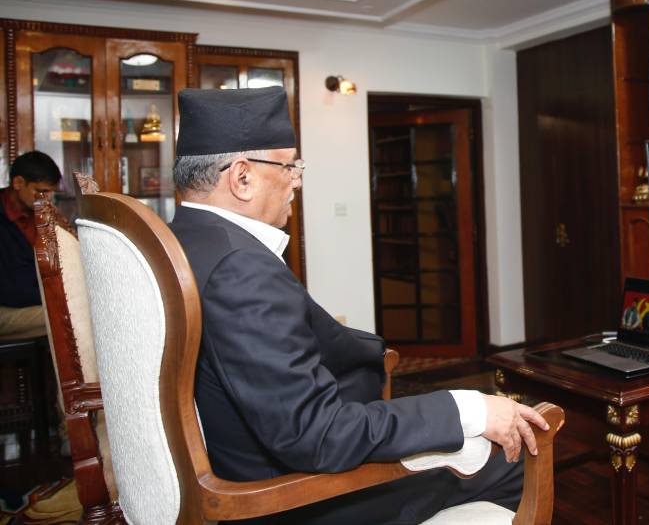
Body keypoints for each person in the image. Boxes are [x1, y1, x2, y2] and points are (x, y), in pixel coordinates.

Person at [167, 87, 548, 524]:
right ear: (242, 177)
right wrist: (469, 409)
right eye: (289, 166)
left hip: (242, 461)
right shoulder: (241, 268)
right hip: (290, 499)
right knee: (511, 461)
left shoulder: (187, 239)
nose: (297, 180)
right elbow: (318, 434)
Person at [0, 151, 62, 340]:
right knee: (69, 317)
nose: (47, 199)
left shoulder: (39, 214)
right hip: (7, 306)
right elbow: (10, 290)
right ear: (18, 183)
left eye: (50, 192)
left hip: (32, 300)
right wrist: (58, 297)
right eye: (41, 191)